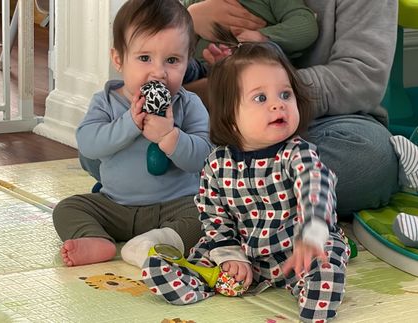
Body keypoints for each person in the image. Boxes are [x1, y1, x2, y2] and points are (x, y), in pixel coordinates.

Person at [142, 41, 350, 323]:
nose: (278, 103)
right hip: (244, 251)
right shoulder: (217, 163)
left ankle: (312, 302)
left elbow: (317, 184)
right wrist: (230, 255)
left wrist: (312, 233)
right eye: (260, 98)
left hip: (297, 250)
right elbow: (214, 215)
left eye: (285, 94)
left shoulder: (297, 153)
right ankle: (195, 279)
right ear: (230, 117)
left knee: (326, 263)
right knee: (192, 255)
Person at [184, 0, 400, 217]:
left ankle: (211, 197)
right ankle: (229, 195)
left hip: (327, 119)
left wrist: (253, 92)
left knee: (371, 160)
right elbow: (158, 46)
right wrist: (189, 22)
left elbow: (362, 76)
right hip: (215, 119)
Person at [52, 0, 212, 267]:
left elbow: (204, 159)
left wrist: (170, 136)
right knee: (67, 209)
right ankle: (95, 239)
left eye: (172, 60)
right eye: (145, 58)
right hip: (116, 205)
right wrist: (128, 124)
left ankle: (161, 240)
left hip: (176, 205)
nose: (159, 72)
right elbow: (88, 144)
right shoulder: (107, 101)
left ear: (187, 63)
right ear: (119, 60)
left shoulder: (189, 103)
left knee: (209, 217)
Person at [181, 0, 318, 84]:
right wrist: (191, 17)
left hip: (252, 71)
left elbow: (306, 24)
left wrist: (263, 37)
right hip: (201, 71)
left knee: (267, 52)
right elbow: (168, 27)